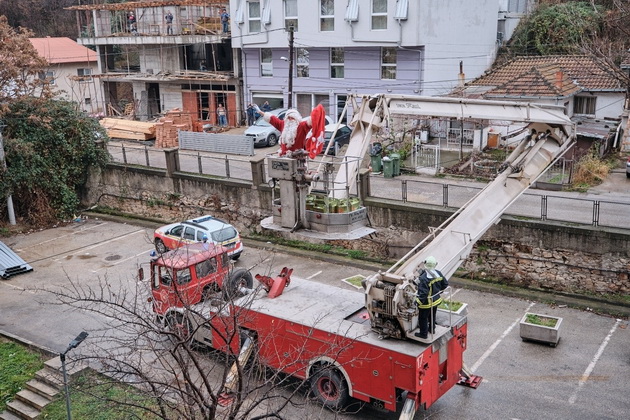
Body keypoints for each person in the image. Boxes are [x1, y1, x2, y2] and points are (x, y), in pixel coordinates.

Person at [253, 103, 326, 158]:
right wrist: (260, 112)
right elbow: (272, 119)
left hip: (298, 158)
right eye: (289, 118)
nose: (290, 120)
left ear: (297, 119)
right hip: (283, 158)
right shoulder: (283, 125)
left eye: (292, 118)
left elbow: (312, 121)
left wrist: (318, 111)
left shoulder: (301, 126)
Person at [415, 256, 449, 339]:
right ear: (435, 264)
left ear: (425, 264)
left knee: (423, 318)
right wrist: (437, 291)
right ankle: (432, 329)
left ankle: (423, 334)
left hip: (426, 303)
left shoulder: (423, 278)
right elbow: (445, 284)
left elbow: (423, 293)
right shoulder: (438, 273)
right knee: (432, 315)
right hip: (436, 300)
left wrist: (417, 302)